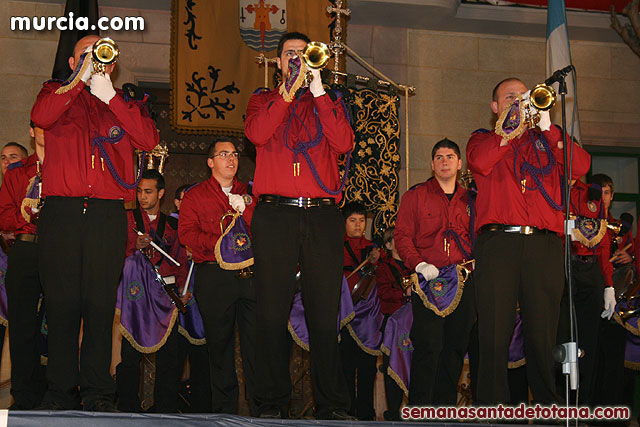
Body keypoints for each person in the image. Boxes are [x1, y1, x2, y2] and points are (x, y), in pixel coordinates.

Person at [30, 35, 159, 411]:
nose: (92, 58)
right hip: (63, 213)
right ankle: (60, 391)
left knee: (100, 306)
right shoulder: (54, 91)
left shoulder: (124, 101)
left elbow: (148, 139)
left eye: (98, 53)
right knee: (61, 305)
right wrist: (78, 83)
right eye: (84, 54)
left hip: (106, 215)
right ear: (73, 62)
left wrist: (111, 97)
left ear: (111, 62)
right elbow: (41, 117)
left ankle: (98, 392)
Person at [244, 31, 354, 420]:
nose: (296, 59)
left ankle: (332, 404)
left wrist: (318, 89)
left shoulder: (331, 99)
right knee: (271, 311)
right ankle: (271, 403)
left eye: (303, 54)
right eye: (289, 54)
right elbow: (256, 134)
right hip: (275, 214)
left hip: (321, 215)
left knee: (324, 313)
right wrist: (288, 92)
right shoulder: (262, 98)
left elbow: (343, 144)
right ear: (277, 62)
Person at [466, 77, 590, 405]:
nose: (519, 101)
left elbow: (581, 165)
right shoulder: (483, 138)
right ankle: (492, 409)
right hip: (499, 243)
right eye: (511, 97)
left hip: (543, 245)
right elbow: (479, 161)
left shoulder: (547, 141)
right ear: (495, 107)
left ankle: (549, 407)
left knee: (542, 333)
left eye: (524, 96)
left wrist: (548, 127)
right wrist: (511, 127)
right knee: (494, 331)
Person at [395, 138, 476, 406]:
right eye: (439, 157)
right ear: (432, 164)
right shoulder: (415, 196)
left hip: (463, 281)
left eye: (450, 157)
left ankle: (445, 412)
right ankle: (420, 411)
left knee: (455, 349)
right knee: (428, 347)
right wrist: (418, 264)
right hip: (429, 282)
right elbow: (402, 236)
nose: (444, 162)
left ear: (460, 163)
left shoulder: (472, 199)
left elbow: (481, 236)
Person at [179, 137, 257, 414]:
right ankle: (225, 411)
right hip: (214, 274)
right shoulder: (195, 195)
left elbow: (264, 230)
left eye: (234, 154)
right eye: (224, 154)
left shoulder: (251, 192)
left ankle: (261, 408)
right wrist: (224, 244)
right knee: (220, 347)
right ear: (210, 162)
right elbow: (186, 234)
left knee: (256, 344)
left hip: (250, 275)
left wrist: (246, 209)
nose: (231, 159)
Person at [116, 169, 188, 413]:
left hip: (165, 296)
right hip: (135, 297)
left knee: (169, 357)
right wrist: (132, 245)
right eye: (139, 192)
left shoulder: (173, 224)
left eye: (148, 192)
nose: (142, 197)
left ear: (161, 193)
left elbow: (181, 260)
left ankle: (164, 409)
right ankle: (128, 407)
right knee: (130, 354)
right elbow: (111, 252)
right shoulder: (126, 220)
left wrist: (183, 288)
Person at [0, 123, 46, 409]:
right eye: (41, 127)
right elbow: (4, 217)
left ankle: (58, 391)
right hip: (26, 247)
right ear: (32, 132)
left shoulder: (68, 167)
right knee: (21, 325)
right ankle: (23, 393)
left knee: (61, 323)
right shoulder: (17, 172)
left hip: (59, 251)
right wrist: (26, 216)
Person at [340, 202, 382, 421]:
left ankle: (366, 414)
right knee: (345, 366)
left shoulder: (374, 249)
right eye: (352, 220)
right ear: (344, 223)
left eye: (362, 220)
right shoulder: (335, 246)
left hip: (368, 318)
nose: (358, 225)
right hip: (344, 314)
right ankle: (346, 412)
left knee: (367, 368)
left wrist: (378, 261)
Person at [376, 227, 412, 421]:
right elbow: (383, 293)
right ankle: (393, 411)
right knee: (392, 367)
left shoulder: (414, 265)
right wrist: (404, 293)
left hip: (413, 322)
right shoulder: (384, 268)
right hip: (394, 323)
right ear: (389, 245)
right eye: (398, 239)